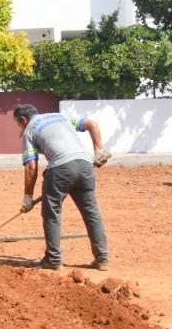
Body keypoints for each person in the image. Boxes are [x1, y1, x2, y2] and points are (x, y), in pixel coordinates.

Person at [13, 104, 111, 271]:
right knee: (91, 213)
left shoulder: (29, 129)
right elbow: (91, 124)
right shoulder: (61, 117)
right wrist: (99, 151)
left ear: (24, 119)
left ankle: (53, 259)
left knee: (51, 214)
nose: (20, 129)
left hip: (60, 169)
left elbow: (31, 166)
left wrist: (28, 197)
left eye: (19, 124)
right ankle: (102, 259)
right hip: (85, 165)